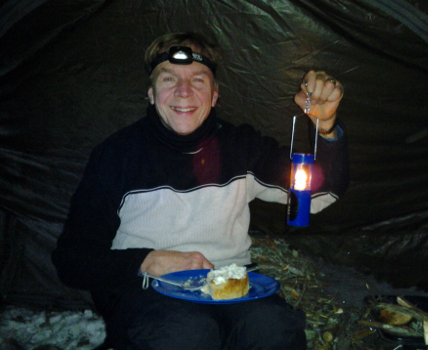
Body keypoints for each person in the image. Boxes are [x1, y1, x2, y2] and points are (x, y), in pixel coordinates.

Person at [52, 32, 349, 350]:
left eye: (198, 80)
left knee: (273, 329)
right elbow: (73, 260)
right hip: (149, 287)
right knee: (185, 333)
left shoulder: (242, 147)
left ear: (215, 95)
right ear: (151, 93)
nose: (183, 92)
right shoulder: (116, 156)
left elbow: (319, 195)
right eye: (169, 78)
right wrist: (148, 261)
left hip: (232, 285)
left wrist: (326, 127)